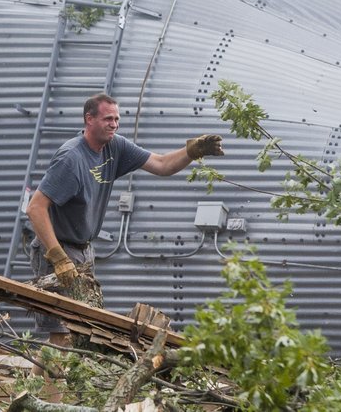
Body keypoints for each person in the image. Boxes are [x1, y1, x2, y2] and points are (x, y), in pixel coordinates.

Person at [24, 92, 224, 345]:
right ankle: (48, 372)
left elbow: (162, 164)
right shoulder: (71, 158)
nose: (114, 124)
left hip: (84, 251)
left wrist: (192, 151)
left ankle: (55, 371)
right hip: (58, 250)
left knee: (80, 330)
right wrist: (57, 257)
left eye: (117, 119)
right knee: (62, 332)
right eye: (108, 119)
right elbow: (35, 208)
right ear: (89, 119)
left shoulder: (114, 147)